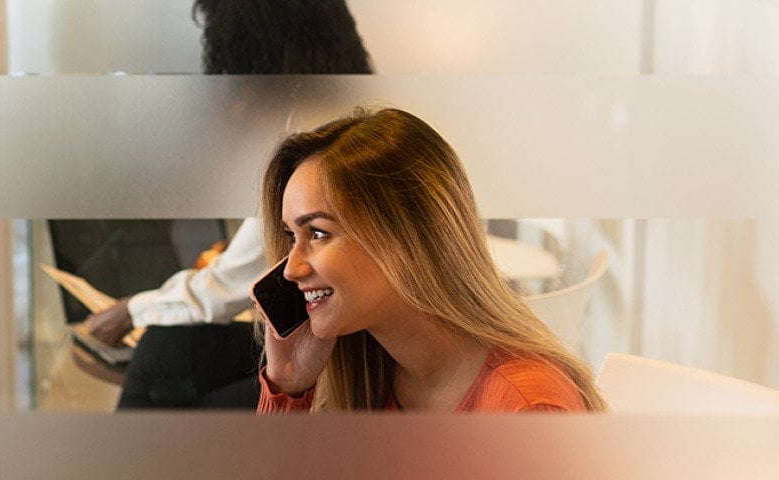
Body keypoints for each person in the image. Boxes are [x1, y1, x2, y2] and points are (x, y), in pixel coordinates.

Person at [82, 0, 372, 408]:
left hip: (354, 362)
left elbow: (230, 288)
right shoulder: (348, 117)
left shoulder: (315, 145)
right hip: (341, 340)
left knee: (170, 368)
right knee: (168, 353)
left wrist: (133, 310)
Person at [255, 108, 607, 412]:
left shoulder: (526, 409)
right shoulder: (369, 381)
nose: (291, 268)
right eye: (291, 237)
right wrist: (286, 384)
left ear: (405, 238)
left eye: (318, 233)